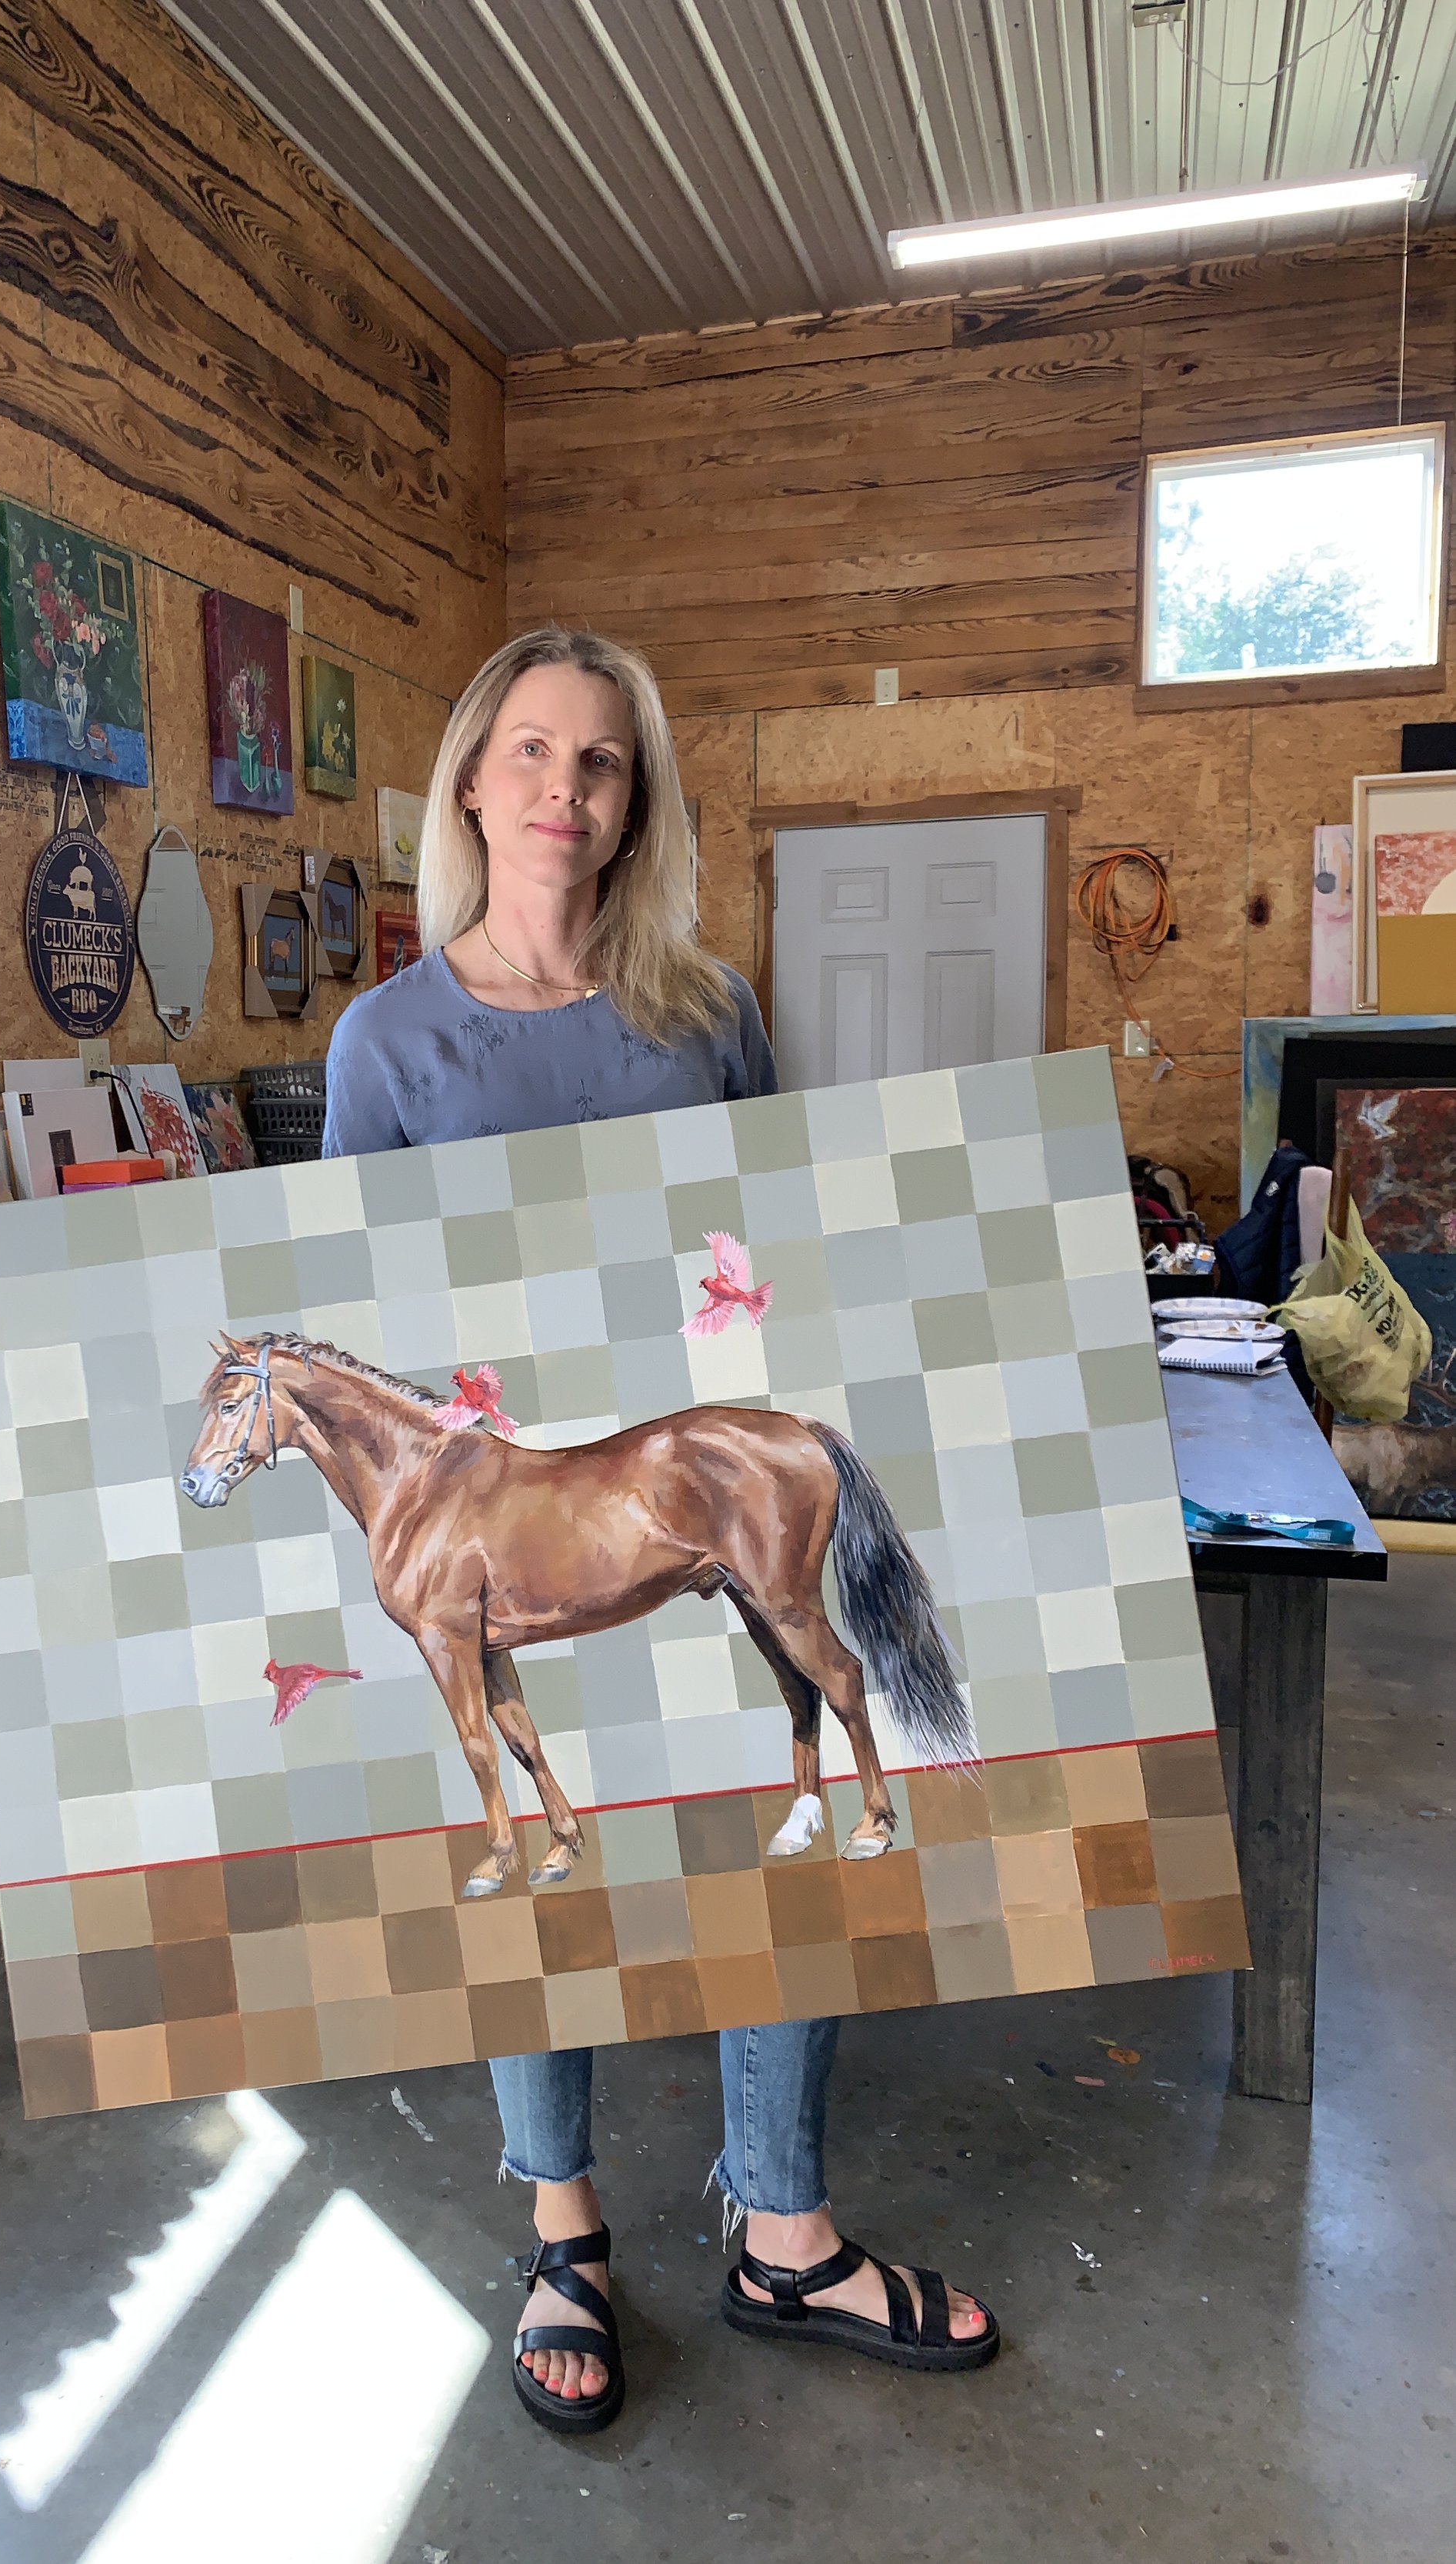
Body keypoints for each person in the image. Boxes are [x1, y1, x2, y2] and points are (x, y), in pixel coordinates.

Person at [323, 626, 998, 2433]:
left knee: (780, 1807)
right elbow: (360, 1315)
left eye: (600, 760)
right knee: (528, 1837)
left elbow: (779, 1258)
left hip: (677, 1477)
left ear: (633, 805)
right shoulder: (383, 1042)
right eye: (530, 751)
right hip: (509, 1502)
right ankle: (565, 2233)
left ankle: (783, 2224)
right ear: (472, 784)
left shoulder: (710, 1015)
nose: (564, 787)